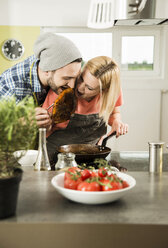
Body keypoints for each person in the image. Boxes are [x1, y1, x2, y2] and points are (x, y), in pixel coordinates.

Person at [42, 56, 128, 157]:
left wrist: (116, 122)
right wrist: (45, 123)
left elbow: (114, 113)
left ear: (105, 90)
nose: (79, 88)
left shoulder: (112, 92)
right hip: (56, 154)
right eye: (81, 78)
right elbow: (43, 128)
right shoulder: (61, 90)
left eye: (89, 88)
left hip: (90, 154)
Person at [0, 33, 82, 131]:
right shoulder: (12, 85)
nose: (72, 85)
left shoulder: (48, 63)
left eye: (75, 78)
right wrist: (21, 122)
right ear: (46, 70)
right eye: (66, 78)